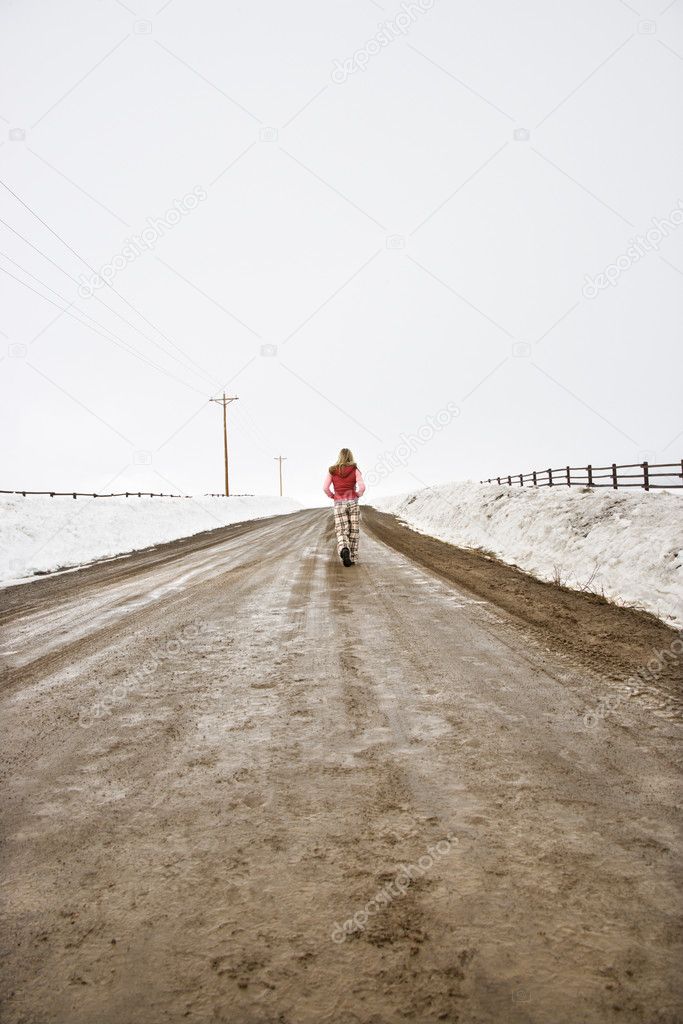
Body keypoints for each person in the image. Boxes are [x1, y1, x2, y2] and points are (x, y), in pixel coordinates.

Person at [323, 448, 366, 567]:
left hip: (339, 503)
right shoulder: (355, 470)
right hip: (353, 502)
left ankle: (344, 549)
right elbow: (362, 487)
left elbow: (325, 488)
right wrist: (358, 494)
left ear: (339, 456)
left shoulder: (332, 471)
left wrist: (332, 496)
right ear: (350, 457)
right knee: (354, 530)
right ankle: (352, 557)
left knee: (342, 530)